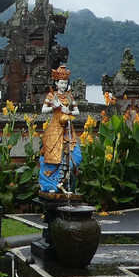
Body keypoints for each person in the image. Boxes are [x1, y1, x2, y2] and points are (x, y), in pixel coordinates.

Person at [38, 65, 81, 193]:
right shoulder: (52, 95)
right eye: (61, 82)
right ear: (56, 83)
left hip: (68, 128)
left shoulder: (69, 97)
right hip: (56, 127)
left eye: (65, 83)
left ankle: (65, 182)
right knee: (52, 155)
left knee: (76, 157)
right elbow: (43, 110)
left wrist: (70, 112)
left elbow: (77, 111)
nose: (63, 85)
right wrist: (54, 107)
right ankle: (51, 184)